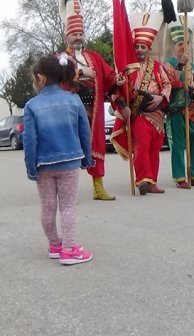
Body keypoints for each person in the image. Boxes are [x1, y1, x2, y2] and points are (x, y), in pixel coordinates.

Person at [23, 54, 94, 265]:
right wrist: (86, 159)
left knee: (47, 207)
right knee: (68, 207)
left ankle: (55, 245)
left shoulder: (31, 106)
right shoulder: (73, 99)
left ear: (40, 77)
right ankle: (69, 249)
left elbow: (29, 140)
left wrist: (31, 168)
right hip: (70, 162)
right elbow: (85, 132)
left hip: (44, 165)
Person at [61, 0, 120, 200]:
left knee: (96, 147)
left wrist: (118, 80)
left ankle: (98, 188)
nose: (77, 37)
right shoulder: (60, 58)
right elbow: (57, 79)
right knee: (70, 149)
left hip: (93, 111)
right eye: (74, 34)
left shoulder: (94, 57)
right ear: (67, 36)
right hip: (70, 111)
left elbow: (109, 76)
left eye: (80, 34)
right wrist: (78, 72)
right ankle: (67, 192)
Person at [111, 12, 172, 195]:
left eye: (143, 47)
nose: (139, 50)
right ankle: (142, 180)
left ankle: (152, 181)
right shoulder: (127, 67)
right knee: (143, 145)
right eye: (137, 46)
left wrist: (161, 97)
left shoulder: (156, 66)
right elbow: (115, 89)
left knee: (155, 147)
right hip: (139, 113)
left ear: (148, 48)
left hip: (158, 113)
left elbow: (167, 83)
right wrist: (123, 104)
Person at [164, 17, 194, 189]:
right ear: (174, 46)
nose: (183, 46)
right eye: (180, 43)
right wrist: (181, 65)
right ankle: (180, 177)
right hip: (177, 110)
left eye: (186, 43)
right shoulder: (169, 63)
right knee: (178, 145)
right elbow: (171, 83)